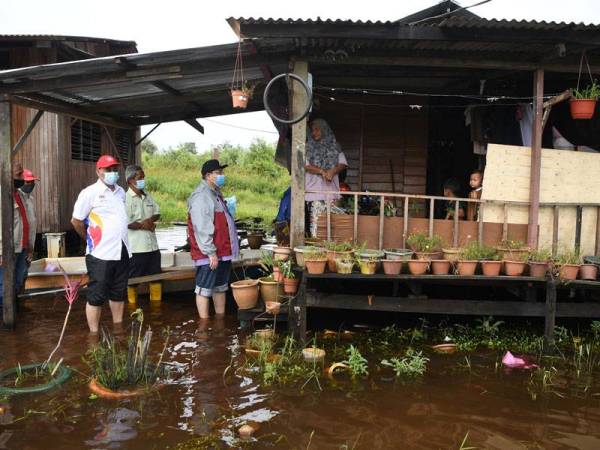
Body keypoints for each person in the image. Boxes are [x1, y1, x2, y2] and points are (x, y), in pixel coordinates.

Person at [71, 155, 130, 333]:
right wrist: (88, 239)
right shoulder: (89, 193)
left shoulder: (120, 192)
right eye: (108, 169)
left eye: (114, 169)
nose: (112, 172)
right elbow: (76, 221)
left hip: (122, 250)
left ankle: (118, 329)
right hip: (100, 253)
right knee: (96, 296)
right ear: (98, 171)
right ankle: (94, 334)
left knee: (118, 293)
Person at [187, 159, 239, 320]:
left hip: (222, 252)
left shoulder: (215, 193)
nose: (222, 176)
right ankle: (203, 325)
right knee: (204, 289)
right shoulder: (201, 196)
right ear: (208, 175)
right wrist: (211, 253)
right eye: (218, 173)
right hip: (209, 254)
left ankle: (219, 320)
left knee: (220, 287)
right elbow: (202, 227)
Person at [305, 118, 348, 236]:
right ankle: (316, 248)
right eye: (312, 130)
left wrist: (333, 171)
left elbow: (343, 163)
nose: (314, 133)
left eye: (317, 130)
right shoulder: (308, 147)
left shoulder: (334, 146)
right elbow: (305, 165)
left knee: (332, 224)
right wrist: (322, 171)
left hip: (331, 192)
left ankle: (330, 249)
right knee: (317, 225)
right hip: (314, 192)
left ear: (324, 130)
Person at [0, 162, 30, 307]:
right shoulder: (2, 196)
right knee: (4, 286)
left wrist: (29, 246)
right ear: (7, 174)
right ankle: (5, 321)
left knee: (17, 282)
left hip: (22, 247)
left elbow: (27, 221)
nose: (22, 177)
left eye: (22, 173)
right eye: (19, 174)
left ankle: (15, 315)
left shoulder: (21, 195)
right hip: (8, 250)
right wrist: (1, 252)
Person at [125, 164, 161, 283]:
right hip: (136, 249)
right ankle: (131, 302)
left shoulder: (147, 195)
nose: (143, 180)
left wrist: (150, 221)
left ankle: (156, 302)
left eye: (143, 177)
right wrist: (145, 225)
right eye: (140, 178)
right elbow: (125, 222)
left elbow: (157, 213)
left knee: (156, 280)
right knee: (133, 282)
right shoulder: (125, 198)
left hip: (153, 247)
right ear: (131, 180)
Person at [18, 169, 39, 292]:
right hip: (18, 246)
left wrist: (31, 248)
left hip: (29, 244)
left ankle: (20, 299)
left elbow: (31, 224)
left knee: (24, 274)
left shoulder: (30, 199)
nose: (30, 185)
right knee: (17, 276)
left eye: (32, 182)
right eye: (27, 182)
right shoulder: (16, 198)